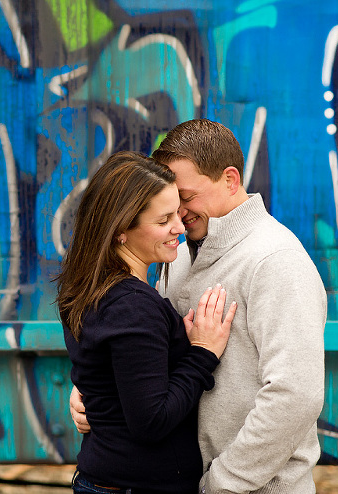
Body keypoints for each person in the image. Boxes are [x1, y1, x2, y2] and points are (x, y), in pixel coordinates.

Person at [70, 119, 327, 493]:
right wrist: (100, 388)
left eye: (186, 198)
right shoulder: (180, 251)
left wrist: (222, 484)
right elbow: (143, 351)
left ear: (230, 179)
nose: (179, 214)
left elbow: (295, 396)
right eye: (169, 206)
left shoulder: (276, 261)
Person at [56, 150, 236, 494]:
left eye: (178, 213)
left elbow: (112, 373)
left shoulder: (88, 287)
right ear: (121, 229)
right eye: (163, 220)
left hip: (109, 478)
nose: (179, 228)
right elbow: (151, 422)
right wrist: (201, 353)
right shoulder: (133, 306)